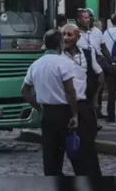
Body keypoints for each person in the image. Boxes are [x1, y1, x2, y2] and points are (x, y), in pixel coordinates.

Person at [21, 29, 78, 176]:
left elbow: (25, 90)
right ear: (60, 44)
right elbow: (70, 91)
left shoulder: (36, 64)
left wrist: (38, 107)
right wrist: (75, 114)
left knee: (49, 155)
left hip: (46, 113)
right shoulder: (63, 63)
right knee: (69, 154)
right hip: (63, 112)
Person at [61, 24, 103, 178]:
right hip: (65, 108)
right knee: (73, 150)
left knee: (89, 147)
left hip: (84, 106)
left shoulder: (87, 53)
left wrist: (95, 98)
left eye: (69, 35)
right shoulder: (58, 56)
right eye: (63, 34)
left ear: (77, 37)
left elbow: (99, 75)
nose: (65, 38)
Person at [76, 8, 106, 119]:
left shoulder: (92, 33)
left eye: (89, 17)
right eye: (85, 18)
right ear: (79, 20)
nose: (88, 20)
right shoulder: (75, 34)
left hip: (91, 70)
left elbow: (95, 52)